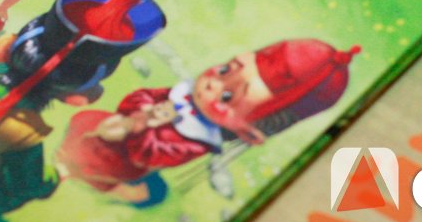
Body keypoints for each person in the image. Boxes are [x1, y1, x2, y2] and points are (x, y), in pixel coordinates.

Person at [55, 38, 360, 205]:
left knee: (98, 168)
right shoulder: (183, 95)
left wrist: (140, 127)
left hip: (117, 157)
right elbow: (143, 96)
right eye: (226, 70)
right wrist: (142, 107)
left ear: (248, 130)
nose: (213, 84)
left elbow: (151, 154)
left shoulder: (195, 140)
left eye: (227, 97)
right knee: (84, 123)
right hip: (111, 126)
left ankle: (105, 184)